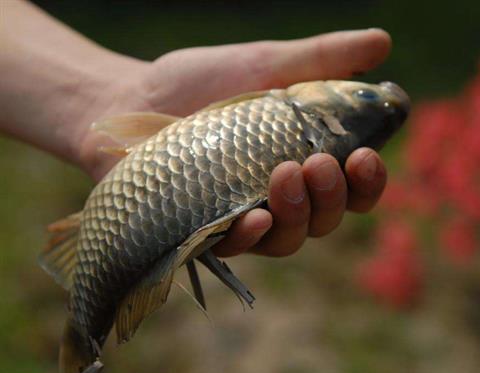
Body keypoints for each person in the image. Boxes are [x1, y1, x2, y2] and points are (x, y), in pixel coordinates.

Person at [0, 1, 391, 258]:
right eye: (367, 95)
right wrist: (109, 97)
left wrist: (107, 98)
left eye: (367, 99)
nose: (380, 89)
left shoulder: (290, 107)